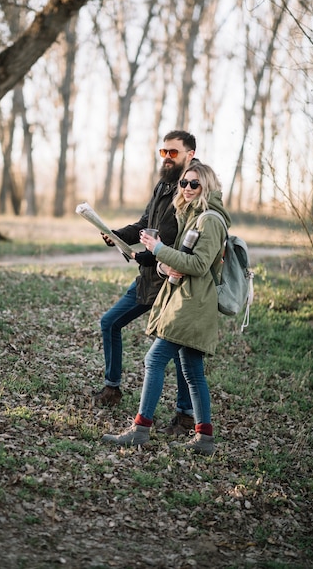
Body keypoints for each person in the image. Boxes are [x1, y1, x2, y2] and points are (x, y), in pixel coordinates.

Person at [102, 163, 231, 455]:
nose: (186, 188)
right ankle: (205, 438)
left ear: (206, 187)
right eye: (184, 183)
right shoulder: (193, 216)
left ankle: (140, 429)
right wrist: (161, 262)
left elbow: (198, 265)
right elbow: (181, 261)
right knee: (193, 370)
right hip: (186, 298)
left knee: (154, 360)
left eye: (194, 184)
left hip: (192, 303)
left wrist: (158, 248)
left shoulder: (209, 220)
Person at [93, 130, 199, 436]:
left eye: (173, 153)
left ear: (189, 154)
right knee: (110, 322)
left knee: (180, 351)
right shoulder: (164, 184)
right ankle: (112, 388)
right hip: (148, 281)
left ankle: (185, 416)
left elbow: (181, 244)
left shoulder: (193, 189)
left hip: (174, 285)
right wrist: (115, 235)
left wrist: (148, 258)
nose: (166, 158)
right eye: (163, 152)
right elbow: (144, 226)